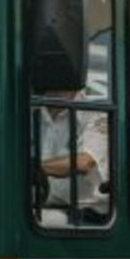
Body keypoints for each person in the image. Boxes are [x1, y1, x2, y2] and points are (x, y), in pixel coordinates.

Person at [38, 92, 110, 226]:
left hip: (87, 216)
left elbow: (85, 162)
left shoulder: (95, 112)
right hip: (39, 209)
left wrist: (35, 167)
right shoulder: (31, 110)